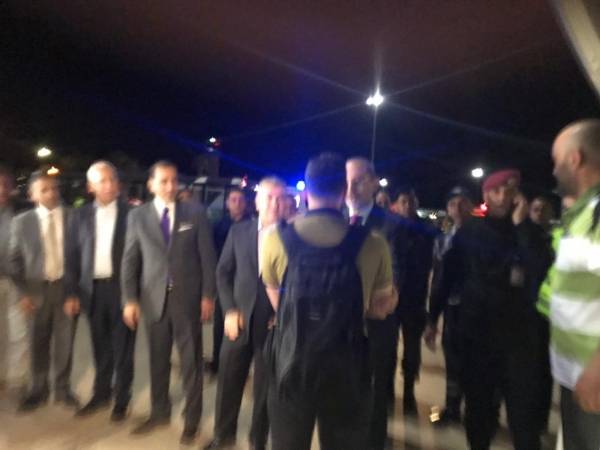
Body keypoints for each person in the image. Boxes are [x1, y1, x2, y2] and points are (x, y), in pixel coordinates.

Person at [261, 153, 397, 450]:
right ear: (343, 190)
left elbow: (277, 301)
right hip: (347, 370)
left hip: (291, 365)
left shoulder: (276, 239)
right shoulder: (373, 243)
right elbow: (381, 308)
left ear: (306, 191)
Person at [439, 169, 542, 450]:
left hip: (518, 341)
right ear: (486, 195)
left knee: (523, 417)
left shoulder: (528, 231)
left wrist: (522, 226)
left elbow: (537, 269)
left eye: (511, 190)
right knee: (479, 412)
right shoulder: (471, 231)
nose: (505, 196)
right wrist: (434, 317)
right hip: (479, 338)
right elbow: (449, 276)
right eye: (498, 190)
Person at [121, 160, 217, 445]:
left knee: (191, 362)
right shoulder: (138, 216)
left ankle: (192, 420)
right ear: (151, 184)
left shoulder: (195, 213)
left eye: (174, 180)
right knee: (158, 359)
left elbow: (207, 257)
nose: (170, 186)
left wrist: (208, 295)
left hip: (187, 300)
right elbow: (130, 260)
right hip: (153, 300)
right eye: (163, 181)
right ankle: (159, 411)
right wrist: (129, 299)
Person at [204, 177, 286, 450]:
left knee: (265, 388)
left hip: (273, 325)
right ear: (258, 202)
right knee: (228, 380)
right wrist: (229, 309)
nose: (274, 203)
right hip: (237, 321)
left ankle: (257, 440)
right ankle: (222, 435)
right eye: (269, 197)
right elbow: (223, 273)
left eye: (280, 198)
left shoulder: (293, 237)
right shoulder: (239, 231)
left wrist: (284, 313)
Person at [63, 161, 135, 422]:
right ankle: (101, 393)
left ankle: (122, 399)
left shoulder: (131, 215)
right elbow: (71, 257)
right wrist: (71, 293)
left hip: (121, 290)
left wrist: (134, 297)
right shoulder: (79, 216)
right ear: (90, 187)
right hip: (91, 291)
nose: (109, 185)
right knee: (99, 346)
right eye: (102, 181)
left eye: (112, 180)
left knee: (123, 348)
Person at [345, 156, 405, 450]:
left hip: (377, 322)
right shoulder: (334, 218)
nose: (350, 189)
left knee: (376, 390)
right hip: (340, 324)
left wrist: (389, 296)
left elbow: (398, 270)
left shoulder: (392, 224)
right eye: (346, 182)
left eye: (357, 182)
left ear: (373, 182)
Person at [548, 119, 600, 449]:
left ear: (574, 159)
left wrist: (596, 370)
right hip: (577, 378)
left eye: (556, 161)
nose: (554, 171)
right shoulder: (582, 214)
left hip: (593, 382)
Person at [9, 171, 79, 411]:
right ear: (32, 195)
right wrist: (23, 293)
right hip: (35, 292)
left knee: (65, 342)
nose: (51, 193)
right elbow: (14, 262)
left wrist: (74, 293)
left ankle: (62, 389)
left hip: (65, 289)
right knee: (37, 342)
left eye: (54, 188)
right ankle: (38, 389)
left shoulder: (72, 217)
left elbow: (80, 258)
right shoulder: (21, 222)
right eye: (44, 190)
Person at [424, 186, 474, 426]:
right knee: (452, 361)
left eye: (463, 203)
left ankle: (476, 410)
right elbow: (438, 280)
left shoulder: (482, 238)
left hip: (477, 310)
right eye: (453, 204)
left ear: (471, 206)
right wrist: (432, 318)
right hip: (453, 309)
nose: (458, 208)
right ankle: (452, 407)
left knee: (474, 362)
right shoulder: (443, 240)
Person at [392, 187, 437, 414]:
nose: (407, 206)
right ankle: (388, 390)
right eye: (403, 201)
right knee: (389, 348)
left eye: (410, 201)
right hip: (392, 296)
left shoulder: (426, 230)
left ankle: (409, 390)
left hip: (415, 297)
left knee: (412, 349)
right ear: (397, 204)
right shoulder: (391, 228)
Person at [208, 187, 249, 375]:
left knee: (242, 324)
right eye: (233, 200)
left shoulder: (252, 226)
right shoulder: (219, 226)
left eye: (240, 200)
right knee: (220, 324)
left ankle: (238, 366)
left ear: (246, 203)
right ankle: (217, 362)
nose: (237, 203)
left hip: (243, 281)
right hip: (223, 281)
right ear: (227, 203)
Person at [0, 165, 28, 391]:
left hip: (16, 282)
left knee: (19, 333)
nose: (1, 189)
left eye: (5, 184)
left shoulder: (21, 212)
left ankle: (16, 380)